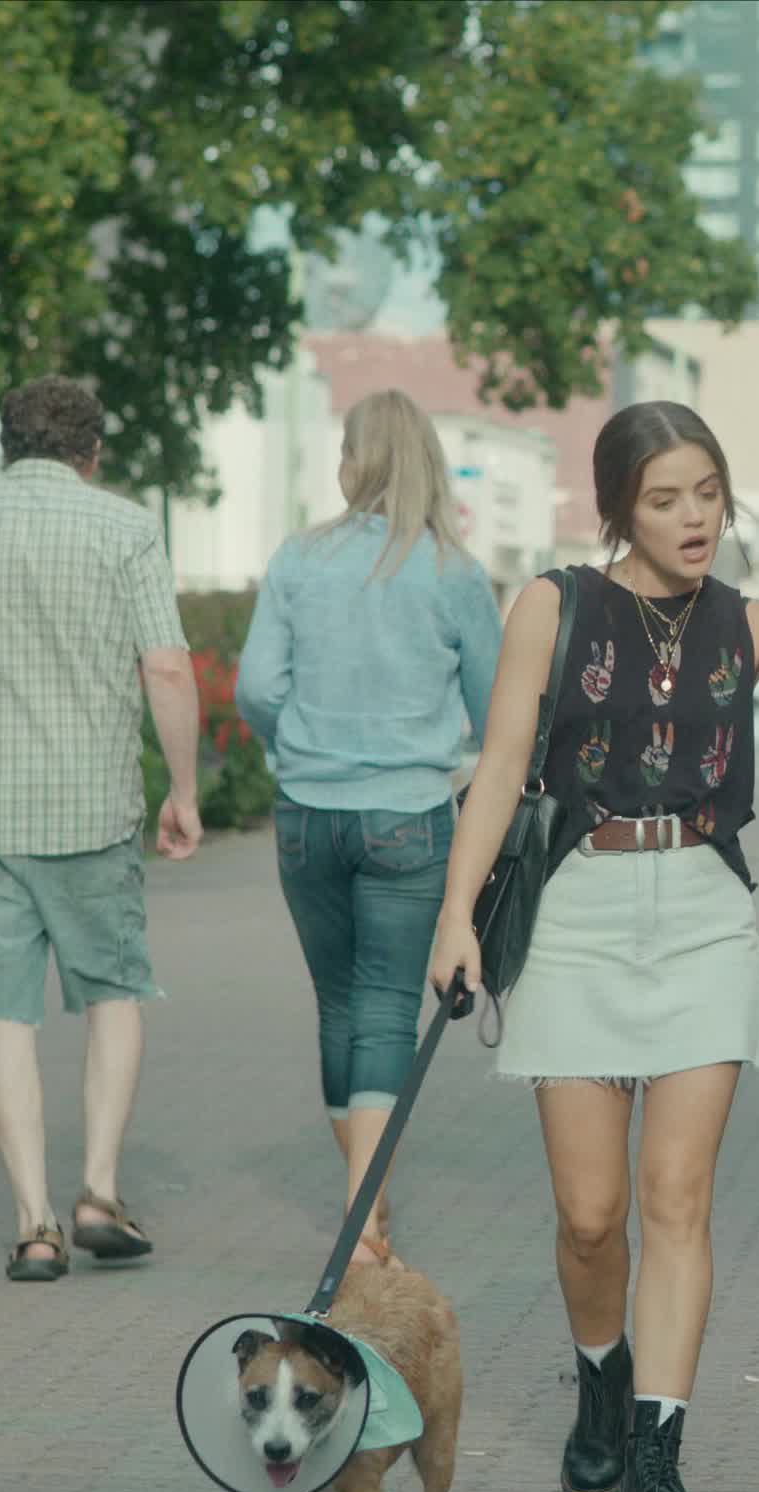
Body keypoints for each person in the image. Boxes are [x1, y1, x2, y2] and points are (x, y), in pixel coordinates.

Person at [426, 400, 759, 1492]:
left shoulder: (747, 621)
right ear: (619, 506)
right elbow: (501, 768)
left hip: (705, 917)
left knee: (677, 1199)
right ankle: (601, 1375)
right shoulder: (554, 603)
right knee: (591, 1215)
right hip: (577, 909)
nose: (693, 518)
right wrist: (455, 919)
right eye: (666, 499)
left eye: (709, 495)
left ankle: (657, 1459)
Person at [0, 377, 201, 1283]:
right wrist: (183, 789)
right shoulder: (126, 528)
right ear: (92, 453)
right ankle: (98, 1190)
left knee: (4, 1014)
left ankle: (32, 1225)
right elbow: (167, 670)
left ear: (6, 445)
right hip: (92, 810)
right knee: (114, 995)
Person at [236, 390, 502, 1269]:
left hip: (306, 814)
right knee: (387, 1008)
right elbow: (496, 712)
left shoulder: (297, 560)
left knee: (339, 1003)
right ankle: (362, 1224)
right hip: (408, 815)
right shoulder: (455, 573)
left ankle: (368, 1200)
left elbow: (255, 687)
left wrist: (293, 744)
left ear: (355, 463)